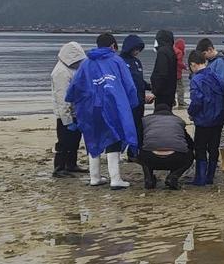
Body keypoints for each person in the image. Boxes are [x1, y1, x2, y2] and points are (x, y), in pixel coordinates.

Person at [66, 33, 140, 189]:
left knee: (93, 137)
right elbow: (129, 85)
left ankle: (94, 177)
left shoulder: (86, 63)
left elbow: (74, 85)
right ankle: (115, 178)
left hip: (90, 106)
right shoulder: (117, 61)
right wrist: (131, 104)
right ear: (113, 46)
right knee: (114, 137)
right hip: (113, 105)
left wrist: (71, 99)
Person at [197, 38, 224, 172]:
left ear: (209, 50)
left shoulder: (222, 62)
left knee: (221, 131)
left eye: (204, 55)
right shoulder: (214, 62)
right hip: (214, 100)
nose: (203, 59)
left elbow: (222, 83)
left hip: (220, 100)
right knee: (218, 131)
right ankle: (222, 159)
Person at [187, 50, 224, 186]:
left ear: (193, 64)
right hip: (218, 118)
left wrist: (191, 112)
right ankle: (210, 176)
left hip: (203, 120)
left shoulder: (196, 79)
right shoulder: (217, 77)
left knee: (200, 148)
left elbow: (197, 100)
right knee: (214, 148)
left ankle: (200, 178)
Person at [52, 41, 88, 178]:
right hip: (64, 115)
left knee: (74, 140)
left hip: (75, 111)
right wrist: (67, 120)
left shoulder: (71, 69)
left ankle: (71, 164)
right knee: (63, 141)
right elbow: (62, 99)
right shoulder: (60, 72)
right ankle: (59, 167)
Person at [139, 103, 194, 190]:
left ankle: (148, 178)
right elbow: (190, 143)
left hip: (151, 158)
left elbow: (140, 140)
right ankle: (173, 176)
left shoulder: (145, 120)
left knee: (142, 152)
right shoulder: (178, 121)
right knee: (190, 156)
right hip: (176, 157)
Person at [120, 34, 155, 161]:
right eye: (135, 49)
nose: (137, 52)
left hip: (140, 101)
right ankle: (119, 150)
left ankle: (134, 152)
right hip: (128, 102)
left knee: (138, 127)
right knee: (128, 127)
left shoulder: (137, 62)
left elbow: (139, 81)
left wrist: (151, 87)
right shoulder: (120, 61)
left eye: (139, 49)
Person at [150, 30, 177, 107]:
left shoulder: (162, 52)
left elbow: (162, 73)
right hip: (170, 92)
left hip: (162, 94)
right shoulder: (171, 51)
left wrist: (155, 92)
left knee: (160, 114)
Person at [174, 38, 187, 108]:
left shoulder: (173, 50)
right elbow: (179, 62)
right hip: (178, 73)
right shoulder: (179, 52)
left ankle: (172, 101)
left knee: (173, 88)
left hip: (172, 73)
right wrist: (185, 67)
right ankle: (181, 102)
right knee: (181, 88)